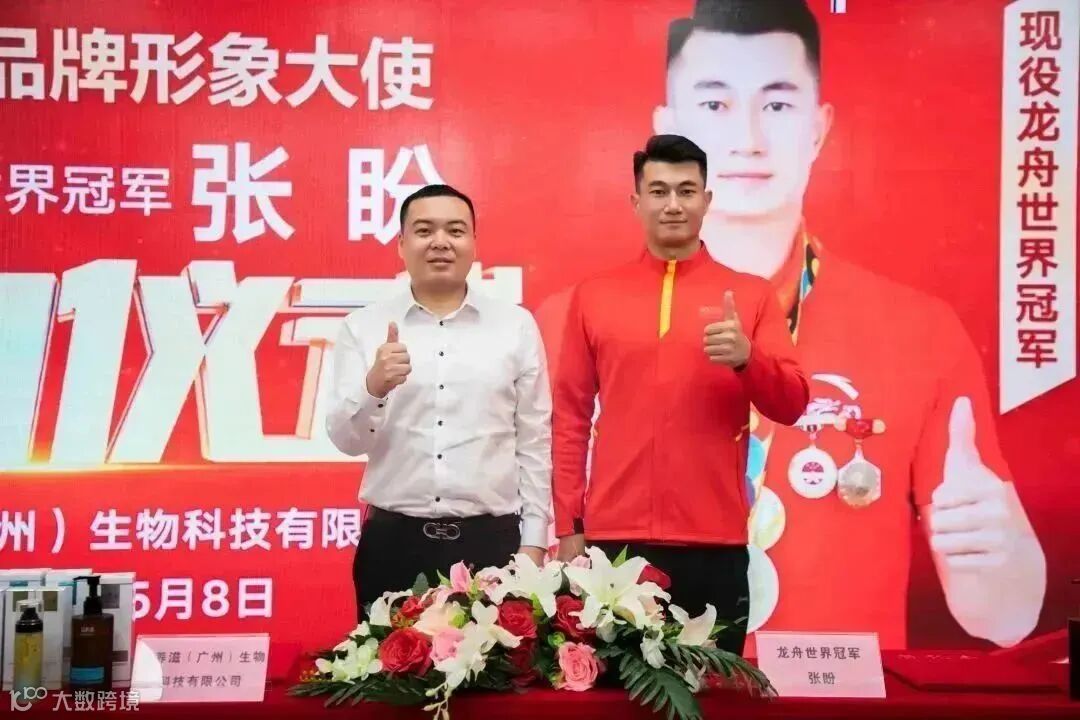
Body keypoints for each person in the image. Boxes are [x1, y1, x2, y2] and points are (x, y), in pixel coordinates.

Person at [539, 0, 1046, 651]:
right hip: (629, 578)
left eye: (777, 104)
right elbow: (556, 447)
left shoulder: (921, 329)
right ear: (668, 127)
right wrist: (567, 528)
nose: (748, 137)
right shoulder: (571, 311)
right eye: (715, 103)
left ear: (818, 127)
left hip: (830, 674)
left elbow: (1004, 617)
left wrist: (996, 558)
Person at [552, 134, 809, 655]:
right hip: (615, 544)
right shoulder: (595, 296)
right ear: (636, 201)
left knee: (712, 689)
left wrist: (748, 359)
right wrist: (569, 524)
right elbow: (570, 418)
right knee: (617, 693)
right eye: (659, 191)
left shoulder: (751, 295)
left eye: (687, 191)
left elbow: (792, 403)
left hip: (715, 541)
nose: (673, 204)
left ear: (706, 200)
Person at [326, 184, 552, 621]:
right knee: (387, 664)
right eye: (425, 230)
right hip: (394, 543)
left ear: (473, 243)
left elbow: (534, 440)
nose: (440, 242)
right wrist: (373, 387)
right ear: (401, 244)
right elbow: (347, 441)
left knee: (496, 665)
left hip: (493, 544)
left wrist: (535, 541)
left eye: (455, 230)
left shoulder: (515, 326)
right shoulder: (363, 326)